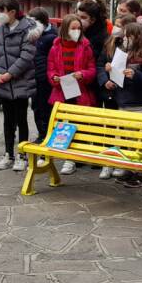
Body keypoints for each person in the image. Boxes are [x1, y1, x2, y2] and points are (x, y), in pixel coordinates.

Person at [99, 21, 142, 188]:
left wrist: (136, 75)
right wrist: (110, 70)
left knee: (139, 139)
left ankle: (140, 173)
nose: (124, 39)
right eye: (124, 36)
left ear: (137, 37)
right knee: (126, 138)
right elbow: (119, 74)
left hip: (140, 103)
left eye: (128, 36)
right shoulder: (122, 53)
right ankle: (129, 168)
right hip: (123, 100)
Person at [0, 0, 37, 172]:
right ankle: (8, 154)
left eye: (2, 11)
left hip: (20, 83)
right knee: (7, 120)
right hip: (2, 83)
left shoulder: (28, 30)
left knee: (21, 119)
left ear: (13, 12)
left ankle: (22, 155)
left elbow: (26, 56)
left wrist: (9, 74)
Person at [47, 14, 97, 176]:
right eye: (73, 28)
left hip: (80, 91)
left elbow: (92, 69)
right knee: (64, 126)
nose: (76, 31)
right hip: (62, 90)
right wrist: (54, 78)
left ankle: (74, 158)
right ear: (65, 29)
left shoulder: (85, 46)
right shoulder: (55, 47)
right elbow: (51, 68)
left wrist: (83, 74)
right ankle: (67, 157)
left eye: (78, 28)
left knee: (79, 125)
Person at [26, 8, 57, 142]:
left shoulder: (51, 37)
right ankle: (42, 133)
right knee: (36, 107)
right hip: (34, 77)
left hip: (45, 79)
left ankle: (46, 134)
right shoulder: (33, 35)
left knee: (45, 108)